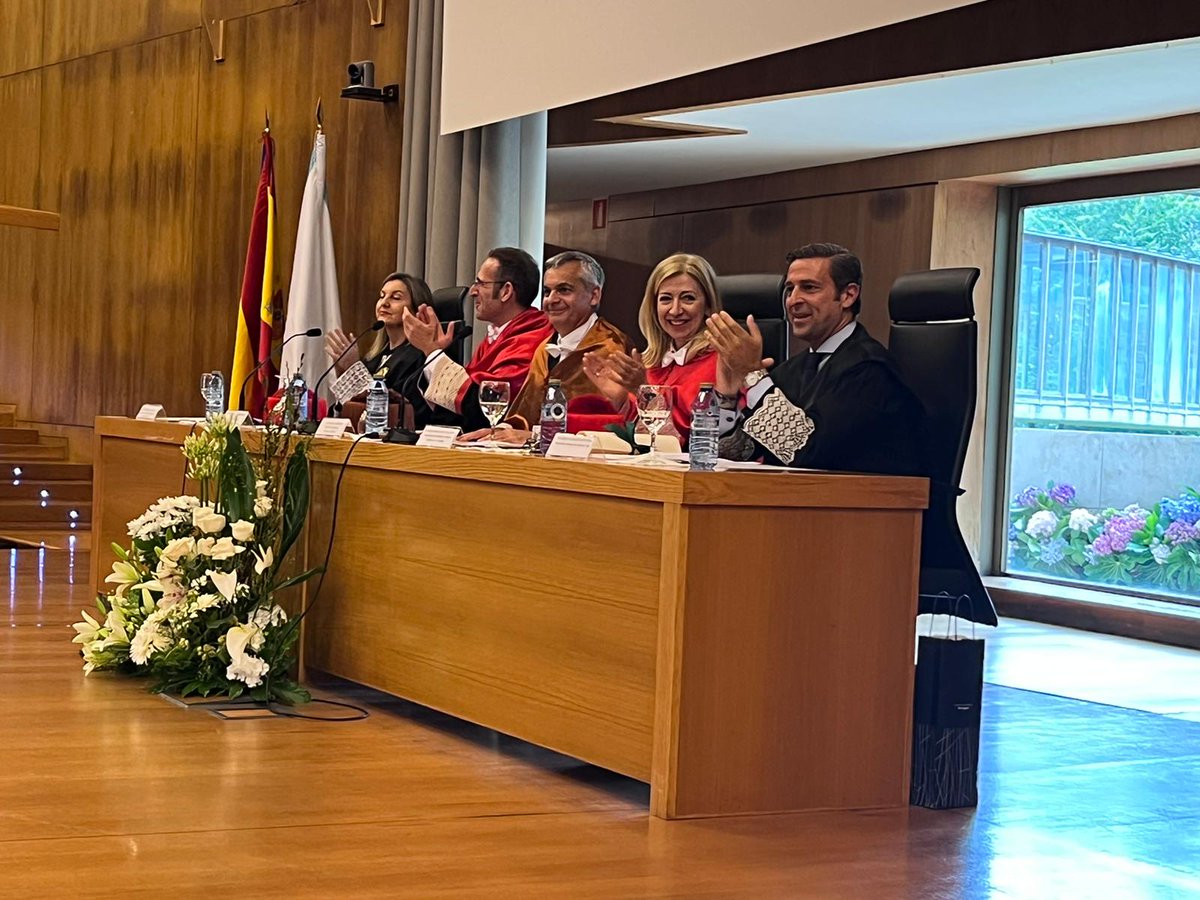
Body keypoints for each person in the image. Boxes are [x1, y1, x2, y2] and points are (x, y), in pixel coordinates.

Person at [706, 242, 924, 475]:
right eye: (790, 289)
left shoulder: (870, 369)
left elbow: (803, 450)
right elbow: (740, 452)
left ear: (848, 295)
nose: (793, 300)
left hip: (867, 507)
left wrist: (752, 375)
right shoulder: (791, 371)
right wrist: (726, 399)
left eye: (809, 288)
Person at [459, 250, 633, 441]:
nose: (551, 300)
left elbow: (606, 430)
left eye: (564, 290)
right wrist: (498, 431)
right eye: (548, 291)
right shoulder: (544, 349)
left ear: (594, 296)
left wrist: (532, 436)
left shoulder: (611, 349)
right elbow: (524, 413)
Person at [402, 247, 555, 431]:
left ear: (506, 291)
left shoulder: (531, 336)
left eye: (481, 283)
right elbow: (459, 406)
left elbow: (488, 403)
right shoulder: (497, 335)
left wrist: (431, 350)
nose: (473, 291)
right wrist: (436, 354)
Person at [581, 252, 722, 448]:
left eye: (688, 298)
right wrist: (621, 399)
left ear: (708, 305)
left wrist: (643, 392)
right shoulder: (650, 362)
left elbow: (685, 441)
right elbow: (638, 440)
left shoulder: (721, 363)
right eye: (665, 299)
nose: (675, 310)